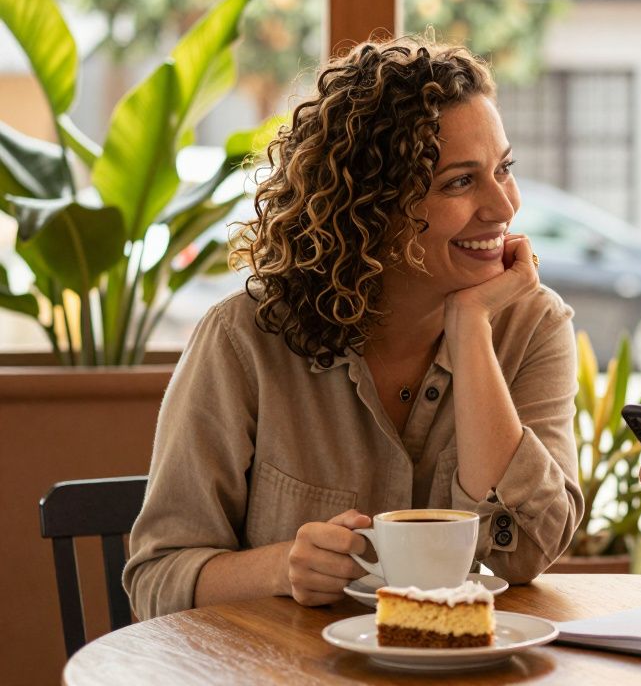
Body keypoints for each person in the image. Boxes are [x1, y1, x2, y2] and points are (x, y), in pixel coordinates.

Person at [125, 38, 583, 619]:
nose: (503, 206)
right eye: (459, 182)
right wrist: (281, 566)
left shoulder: (532, 326)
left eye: (503, 169)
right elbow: (156, 579)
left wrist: (470, 329)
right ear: (371, 207)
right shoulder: (245, 341)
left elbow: (527, 555)